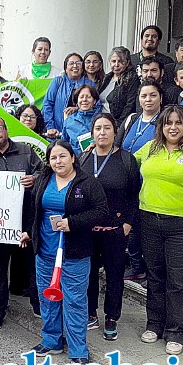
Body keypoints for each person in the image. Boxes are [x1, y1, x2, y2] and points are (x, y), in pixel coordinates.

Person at [133, 104, 183, 355]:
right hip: (149, 221)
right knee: (155, 276)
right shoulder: (150, 149)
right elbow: (123, 162)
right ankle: (154, 325)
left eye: (178, 123)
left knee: (179, 281)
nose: (173, 127)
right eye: (168, 122)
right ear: (161, 126)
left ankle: (176, 331)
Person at [20, 140, 108, 365]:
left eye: (62, 156)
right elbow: (35, 212)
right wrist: (30, 233)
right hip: (45, 250)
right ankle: (51, 340)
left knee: (75, 300)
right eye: (53, 158)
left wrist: (73, 223)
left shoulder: (87, 183)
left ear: (72, 157)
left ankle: (78, 349)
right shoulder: (43, 180)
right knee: (47, 298)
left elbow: (101, 212)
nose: (58, 161)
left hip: (74, 252)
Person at [0, 116, 43, 329]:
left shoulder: (26, 150)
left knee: (33, 265)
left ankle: (39, 306)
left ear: (6, 130)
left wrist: (35, 178)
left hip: (26, 218)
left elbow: (45, 172)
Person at [79, 113, 140, 340]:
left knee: (115, 275)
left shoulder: (126, 160)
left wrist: (127, 223)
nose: (102, 133)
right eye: (98, 128)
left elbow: (134, 195)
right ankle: (90, 313)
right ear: (92, 133)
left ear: (115, 132)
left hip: (115, 229)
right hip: (87, 228)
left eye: (107, 128)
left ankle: (112, 316)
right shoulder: (83, 159)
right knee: (88, 273)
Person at [115, 80, 163, 282]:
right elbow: (117, 145)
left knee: (147, 232)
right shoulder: (132, 119)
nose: (148, 99)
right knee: (131, 227)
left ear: (161, 97)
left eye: (153, 95)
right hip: (129, 184)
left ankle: (151, 272)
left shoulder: (165, 121)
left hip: (152, 184)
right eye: (144, 96)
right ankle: (136, 267)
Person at [42, 53, 94, 139]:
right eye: (71, 63)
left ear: (82, 67)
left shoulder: (90, 84)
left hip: (82, 134)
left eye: (78, 63)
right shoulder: (58, 82)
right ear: (66, 68)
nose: (75, 66)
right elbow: (47, 104)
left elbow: (97, 106)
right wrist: (50, 127)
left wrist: (78, 108)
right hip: (58, 132)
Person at [100, 47, 139, 127]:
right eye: (113, 61)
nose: (116, 65)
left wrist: (118, 125)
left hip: (117, 124)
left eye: (121, 61)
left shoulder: (132, 79)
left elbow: (130, 105)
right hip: (101, 121)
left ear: (127, 63)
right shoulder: (106, 78)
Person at [62, 84, 102, 155]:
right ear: (77, 101)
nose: (84, 100)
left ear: (94, 100)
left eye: (88, 97)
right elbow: (63, 144)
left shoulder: (102, 119)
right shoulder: (69, 121)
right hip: (76, 161)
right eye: (81, 97)